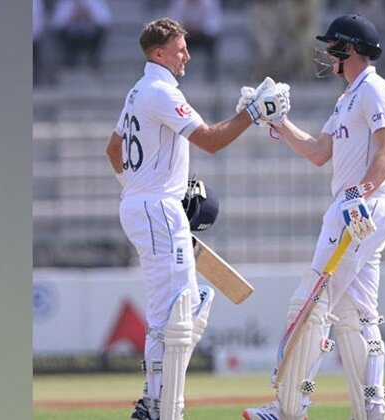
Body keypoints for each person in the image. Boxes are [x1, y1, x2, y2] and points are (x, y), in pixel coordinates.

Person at [105, 18, 290, 420]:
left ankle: (154, 403)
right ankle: (159, 407)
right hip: (157, 209)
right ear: (159, 53)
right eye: (180, 48)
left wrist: (136, 186)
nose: (187, 54)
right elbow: (209, 140)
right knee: (175, 315)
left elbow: (113, 149)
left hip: (144, 205)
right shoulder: (159, 91)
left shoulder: (139, 91)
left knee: (176, 313)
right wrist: (255, 113)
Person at [242, 14, 385, 420]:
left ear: (349, 49)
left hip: (360, 209)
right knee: (356, 314)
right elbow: (318, 152)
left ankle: (290, 407)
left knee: (310, 303)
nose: (327, 53)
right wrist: (278, 121)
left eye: (333, 46)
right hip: (356, 210)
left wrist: (357, 195)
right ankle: (372, 411)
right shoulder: (347, 97)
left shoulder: (374, 90)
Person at [167, 0, 223, 81]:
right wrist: (186, 27)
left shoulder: (210, 3)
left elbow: (214, 24)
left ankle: (211, 75)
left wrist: (200, 27)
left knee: (212, 41)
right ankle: (175, 74)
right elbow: (173, 21)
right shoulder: (179, 2)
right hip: (185, 35)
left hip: (203, 35)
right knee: (174, 42)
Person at [52, 0, 111, 70]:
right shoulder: (66, 3)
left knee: (101, 30)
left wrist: (90, 15)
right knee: (60, 32)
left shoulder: (94, 2)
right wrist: (72, 17)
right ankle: (70, 57)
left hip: (90, 36)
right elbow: (56, 23)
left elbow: (105, 20)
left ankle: (93, 57)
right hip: (72, 37)